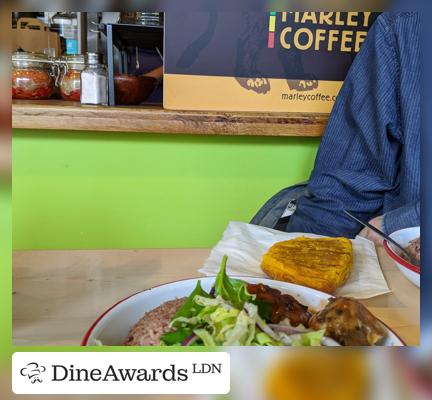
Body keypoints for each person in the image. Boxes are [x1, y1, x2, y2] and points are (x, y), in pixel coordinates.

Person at [280, 12, 420, 245]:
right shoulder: (405, 26)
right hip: (399, 270)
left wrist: (399, 223)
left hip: (399, 244)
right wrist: (301, 256)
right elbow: (346, 189)